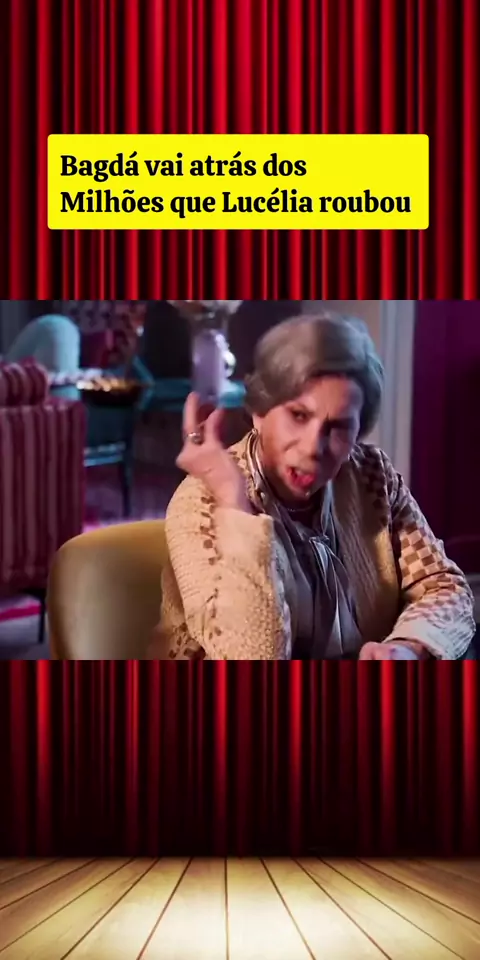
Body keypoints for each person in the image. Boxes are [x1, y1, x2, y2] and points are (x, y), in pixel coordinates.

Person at [147, 313, 475, 660]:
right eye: (298, 415)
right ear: (260, 411)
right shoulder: (203, 499)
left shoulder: (372, 476)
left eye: (339, 426)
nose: (313, 447)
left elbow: (443, 587)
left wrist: (406, 649)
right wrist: (234, 504)